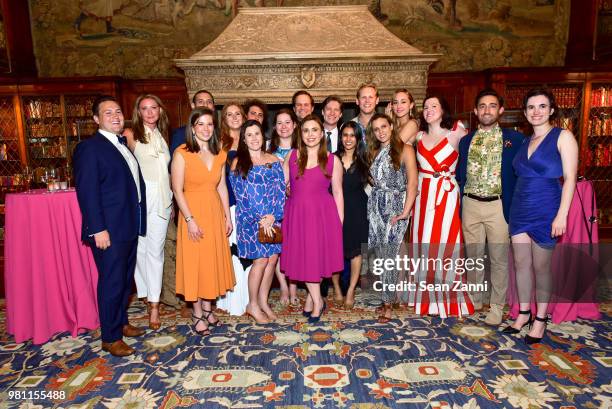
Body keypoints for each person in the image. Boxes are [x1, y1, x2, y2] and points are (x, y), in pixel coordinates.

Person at [503, 88, 578, 344]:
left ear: (551, 110)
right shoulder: (525, 141)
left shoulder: (563, 137)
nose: (536, 111)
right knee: (521, 264)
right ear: (525, 112)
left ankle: (541, 319)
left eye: (542, 106)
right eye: (531, 107)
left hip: (547, 208)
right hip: (520, 208)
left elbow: (569, 179)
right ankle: (524, 313)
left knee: (541, 266)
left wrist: (562, 216)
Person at [74, 95, 147, 357]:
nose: (115, 116)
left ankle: (121, 323)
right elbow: (87, 192)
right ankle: (110, 337)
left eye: (118, 111)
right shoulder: (90, 148)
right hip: (108, 230)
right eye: (108, 113)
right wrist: (97, 229)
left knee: (125, 281)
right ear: (96, 120)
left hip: (128, 225)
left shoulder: (122, 144)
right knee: (112, 282)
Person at [456, 89, 524, 326]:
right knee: (473, 257)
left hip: (498, 206)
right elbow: (459, 174)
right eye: (482, 106)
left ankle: (496, 307)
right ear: (475, 111)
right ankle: (474, 299)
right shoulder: (466, 141)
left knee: (498, 259)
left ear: (500, 110)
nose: (487, 110)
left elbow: (520, 174)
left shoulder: (515, 140)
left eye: (492, 106)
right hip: (470, 204)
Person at [171, 108, 235, 336]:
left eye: (209, 124)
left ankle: (208, 309)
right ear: (192, 127)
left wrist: (227, 216)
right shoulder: (182, 153)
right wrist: (189, 220)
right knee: (195, 264)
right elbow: (177, 190)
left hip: (214, 211)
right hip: (192, 213)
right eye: (201, 124)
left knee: (211, 262)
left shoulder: (220, 153)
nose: (206, 129)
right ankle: (197, 313)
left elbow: (221, 186)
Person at [410, 95, 474, 318]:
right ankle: (425, 298)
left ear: (443, 109)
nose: (429, 110)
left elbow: (471, 159)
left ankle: (446, 298)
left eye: (434, 106)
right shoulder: (418, 135)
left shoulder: (457, 131)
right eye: (425, 107)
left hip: (446, 194)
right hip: (422, 194)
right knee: (424, 242)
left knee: (445, 243)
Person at [281, 114, 344, 323]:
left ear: (321, 133)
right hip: (297, 215)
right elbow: (282, 188)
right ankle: (316, 299)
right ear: (301, 133)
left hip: (322, 216)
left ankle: (316, 301)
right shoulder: (291, 156)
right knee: (305, 258)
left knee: (315, 259)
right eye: (306, 130)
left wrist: (339, 223)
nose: (310, 134)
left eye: (314, 130)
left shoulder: (333, 160)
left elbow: (337, 193)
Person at [124, 94, 173, 331]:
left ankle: (154, 303)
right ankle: (145, 294)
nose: (150, 112)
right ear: (138, 112)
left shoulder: (164, 136)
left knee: (155, 251)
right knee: (140, 250)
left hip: (163, 199)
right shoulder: (130, 134)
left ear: (160, 111)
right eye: (145, 108)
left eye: (154, 107)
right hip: (141, 198)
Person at [230, 120, 286, 324]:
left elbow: (281, 192)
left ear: (263, 136)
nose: (254, 138)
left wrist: (274, 216)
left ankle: (263, 302)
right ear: (244, 139)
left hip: (273, 219)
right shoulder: (239, 162)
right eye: (249, 135)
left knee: (272, 259)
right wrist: (261, 218)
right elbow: (241, 196)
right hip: (251, 220)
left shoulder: (274, 160)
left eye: (257, 134)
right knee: (260, 260)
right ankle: (252, 304)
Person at [367, 113, 418, 321]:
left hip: (396, 209)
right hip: (376, 207)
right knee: (380, 256)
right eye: (376, 128)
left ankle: (388, 305)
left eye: (384, 127)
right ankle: (386, 297)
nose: (380, 131)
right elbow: (372, 179)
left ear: (391, 127)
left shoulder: (405, 149)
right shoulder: (373, 151)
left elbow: (413, 183)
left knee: (390, 256)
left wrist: (406, 212)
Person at [217, 103, 252, 316]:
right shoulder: (219, 143)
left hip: (249, 205)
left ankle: (249, 299)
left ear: (243, 116)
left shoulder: (251, 138)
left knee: (248, 251)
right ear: (224, 119)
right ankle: (230, 301)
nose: (234, 117)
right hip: (228, 202)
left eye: (237, 113)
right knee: (233, 250)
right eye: (229, 114)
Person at [335, 121, 370, 309]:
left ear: (358, 138)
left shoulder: (365, 159)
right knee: (334, 252)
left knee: (356, 254)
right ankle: (337, 289)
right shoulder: (332, 158)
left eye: (352, 135)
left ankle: (350, 291)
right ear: (341, 138)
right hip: (335, 210)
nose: (348, 139)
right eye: (345, 135)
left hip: (358, 211)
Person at [267, 108, 299, 306]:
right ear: (275, 127)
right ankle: (284, 287)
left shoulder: (303, 148)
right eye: (280, 122)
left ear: (294, 125)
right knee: (278, 246)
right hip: (275, 205)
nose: (284, 126)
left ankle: (294, 286)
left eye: (288, 122)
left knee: (294, 246)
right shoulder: (267, 150)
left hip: (297, 204)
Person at [170, 90, 215, 156]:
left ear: (213, 107)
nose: (205, 105)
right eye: (200, 101)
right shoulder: (180, 134)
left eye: (209, 102)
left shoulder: (218, 133)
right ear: (193, 106)